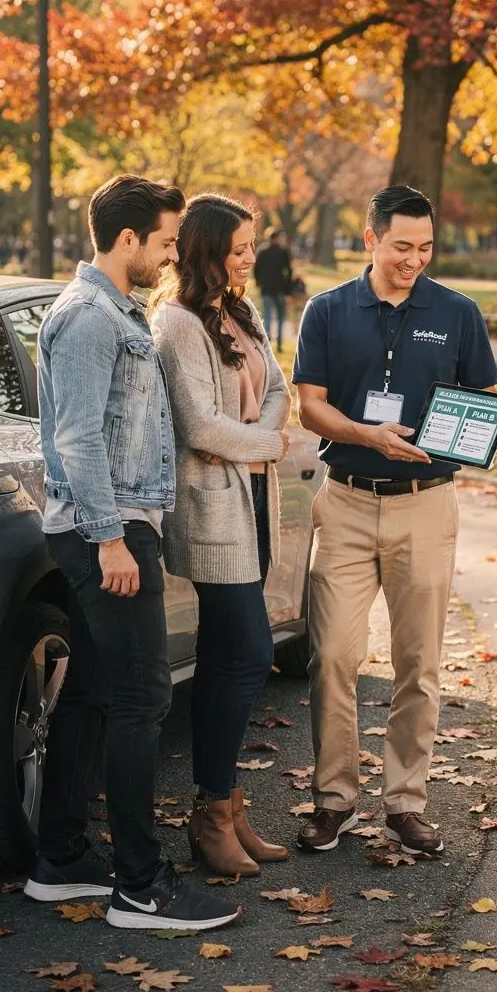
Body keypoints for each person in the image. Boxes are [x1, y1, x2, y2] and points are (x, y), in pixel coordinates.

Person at [26, 174, 240, 933]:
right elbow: (78, 437)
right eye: (164, 241)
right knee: (141, 698)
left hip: (112, 522)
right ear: (127, 242)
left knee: (89, 693)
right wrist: (112, 536)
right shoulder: (88, 317)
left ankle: (61, 859)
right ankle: (140, 888)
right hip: (108, 530)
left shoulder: (114, 311)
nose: (172, 254)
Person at [292, 185, 497, 858]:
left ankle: (405, 804)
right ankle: (334, 800)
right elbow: (310, 407)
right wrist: (368, 436)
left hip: (427, 505)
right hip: (348, 501)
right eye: (400, 247)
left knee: (417, 663)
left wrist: (490, 433)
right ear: (371, 240)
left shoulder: (458, 312)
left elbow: (476, 399)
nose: (412, 261)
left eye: (424, 248)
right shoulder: (327, 311)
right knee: (332, 654)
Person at [151, 195, 291, 877]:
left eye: (251, 247)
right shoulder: (177, 323)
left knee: (227, 656)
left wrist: (251, 444)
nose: (248, 259)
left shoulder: (237, 311)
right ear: (206, 249)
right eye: (238, 249)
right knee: (246, 652)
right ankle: (209, 813)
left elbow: (280, 389)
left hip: (250, 499)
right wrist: (263, 443)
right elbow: (199, 428)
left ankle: (228, 807)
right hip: (209, 509)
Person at [253, 225, 292, 353]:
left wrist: (259, 283)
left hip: (266, 288)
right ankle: (279, 343)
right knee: (281, 317)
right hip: (280, 289)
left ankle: (267, 343)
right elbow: (288, 271)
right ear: (276, 238)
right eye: (281, 238)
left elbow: (256, 269)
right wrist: (288, 289)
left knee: (268, 316)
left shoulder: (262, 251)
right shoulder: (283, 252)